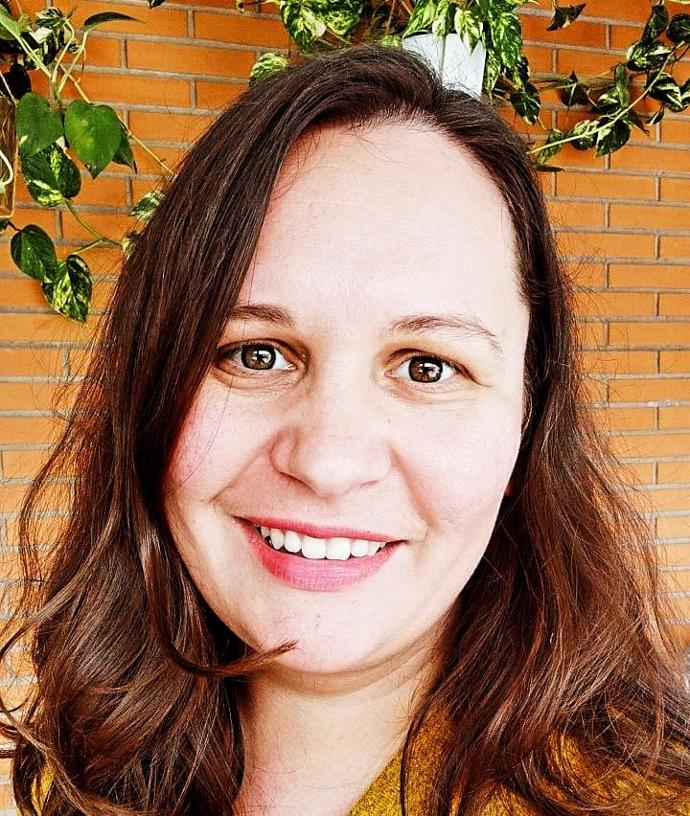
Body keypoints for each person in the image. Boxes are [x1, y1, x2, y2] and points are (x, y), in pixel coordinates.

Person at [1, 43, 689, 816]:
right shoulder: (89, 773)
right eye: (256, 354)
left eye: (426, 367)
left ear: (528, 424)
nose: (327, 461)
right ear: (152, 390)